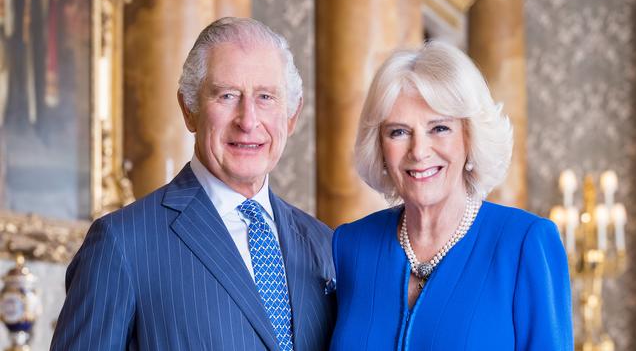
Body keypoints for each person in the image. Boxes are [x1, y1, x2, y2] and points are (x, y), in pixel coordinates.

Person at [50, 17, 336, 351]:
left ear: (291, 115)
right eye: (227, 95)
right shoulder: (121, 244)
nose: (248, 120)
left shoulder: (324, 245)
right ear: (189, 109)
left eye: (266, 97)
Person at [330, 41, 573, 350]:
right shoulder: (350, 245)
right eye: (398, 132)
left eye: (439, 128)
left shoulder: (524, 243)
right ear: (379, 147)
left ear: (469, 137)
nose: (418, 151)